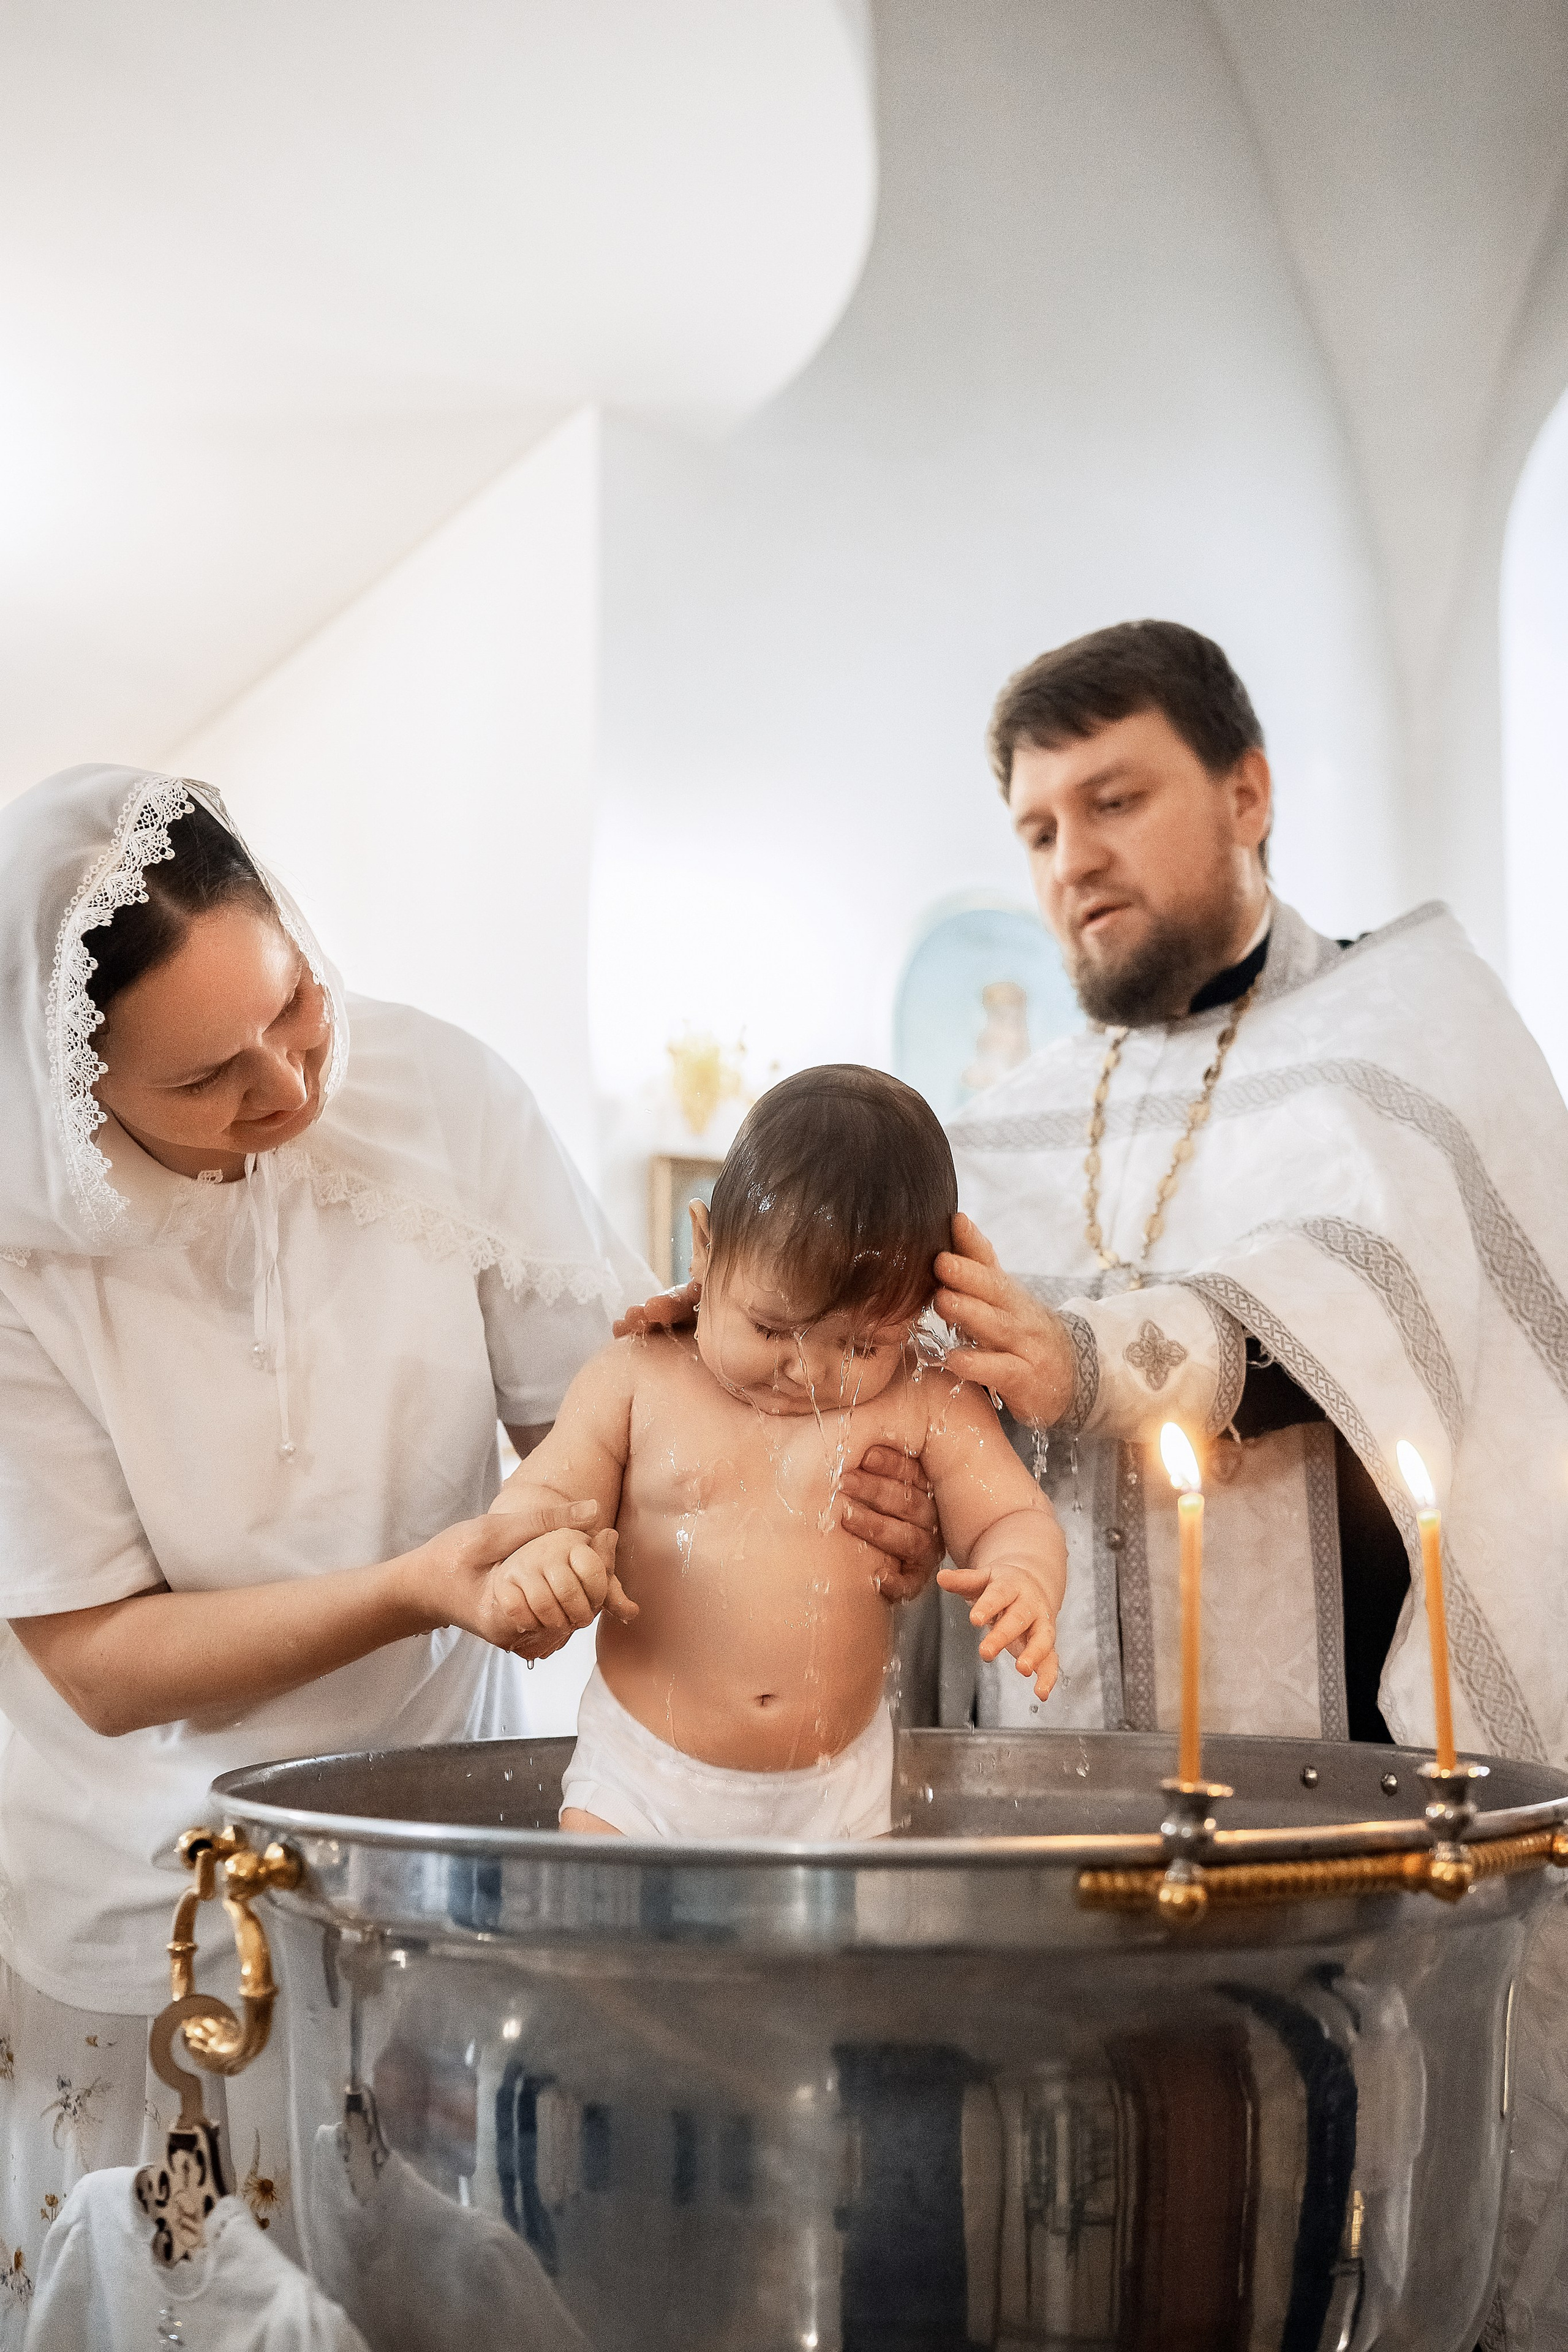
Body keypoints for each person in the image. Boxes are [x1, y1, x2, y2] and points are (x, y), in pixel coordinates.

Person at [0, 767, 938, 2314]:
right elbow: (101, 1662)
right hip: (135, 1899)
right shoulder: (25, 1252)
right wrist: (419, 1584)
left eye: (292, 1004)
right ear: (73, 1089)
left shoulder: (438, 1098)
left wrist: (843, 1505)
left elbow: (646, 1414)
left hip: (402, 1863)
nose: (287, 1087)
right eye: (206, 1078)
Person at [492, 1068, 1065, 1839]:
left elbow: (1011, 1513)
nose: (808, 1371)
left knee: (840, 1959)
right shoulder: (638, 1379)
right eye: (768, 1329)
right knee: (611, 1944)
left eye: (861, 1344)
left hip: (838, 1789)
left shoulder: (926, 1395)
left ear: (921, 1311)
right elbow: (535, 1505)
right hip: (639, 1778)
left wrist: (1023, 1573)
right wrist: (542, 1559)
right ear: (704, 1250)